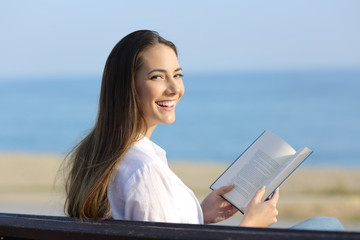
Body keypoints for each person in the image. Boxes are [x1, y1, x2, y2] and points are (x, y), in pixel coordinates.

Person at [64, 30, 343, 230]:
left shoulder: (98, 155)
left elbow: (154, 225)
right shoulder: (143, 170)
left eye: (177, 74)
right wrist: (250, 226)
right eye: (157, 76)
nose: (174, 88)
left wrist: (201, 214)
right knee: (328, 226)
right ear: (128, 87)